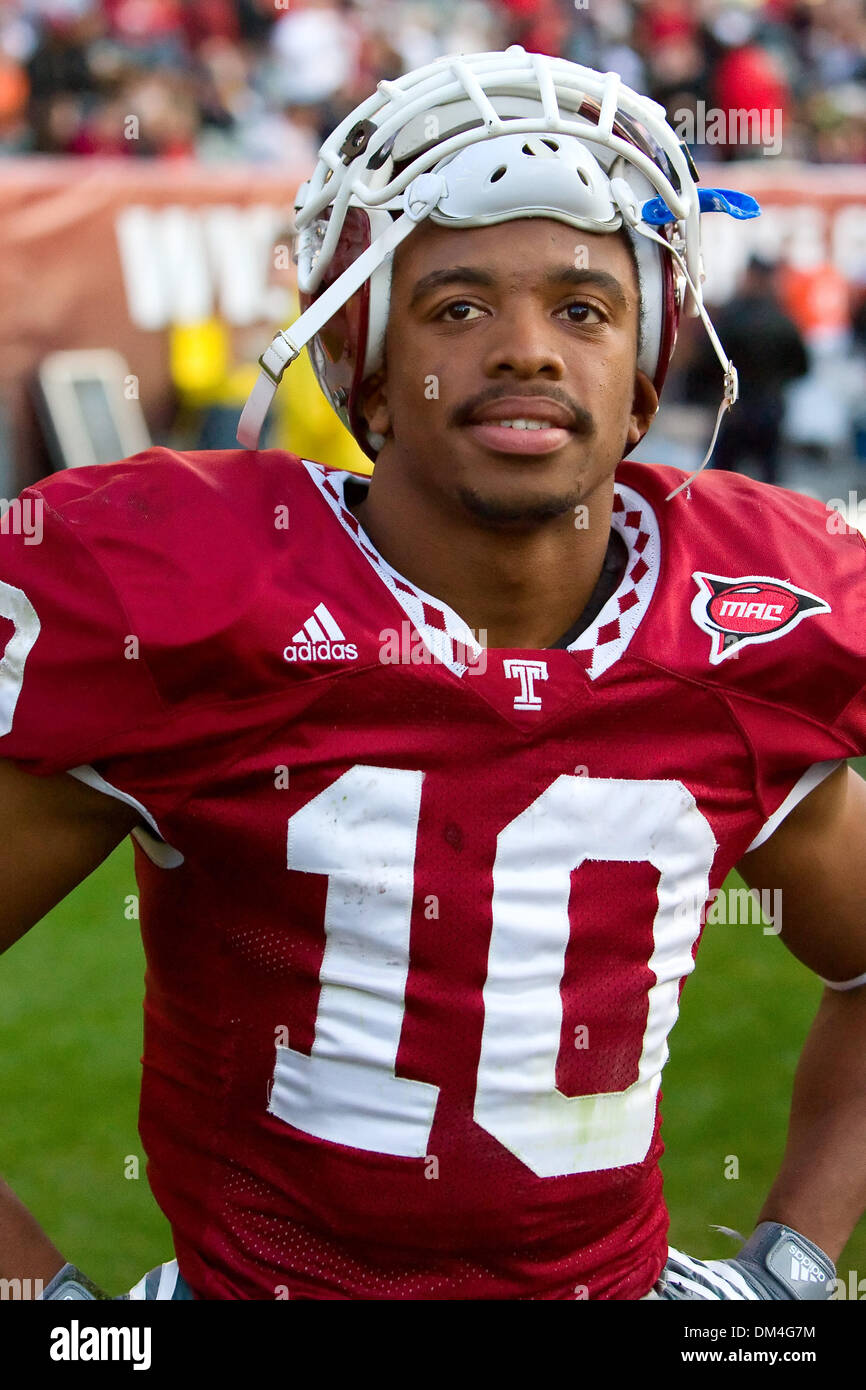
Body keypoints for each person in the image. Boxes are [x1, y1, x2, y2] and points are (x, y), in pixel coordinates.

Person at [2, 47, 866, 1303]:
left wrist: (790, 1266)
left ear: (640, 379)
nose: (524, 350)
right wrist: (65, 1321)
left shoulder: (734, 630)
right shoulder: (207, 610)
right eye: (456, 308)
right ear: (359, 367)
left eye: (582, 308)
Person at [684, 254, 809, 486]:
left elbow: (705, 363)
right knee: (771, 483)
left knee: (723, 483)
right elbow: (802, 367)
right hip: (770, 410)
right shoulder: (783, 319)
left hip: (735, 411)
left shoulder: (731, 317)